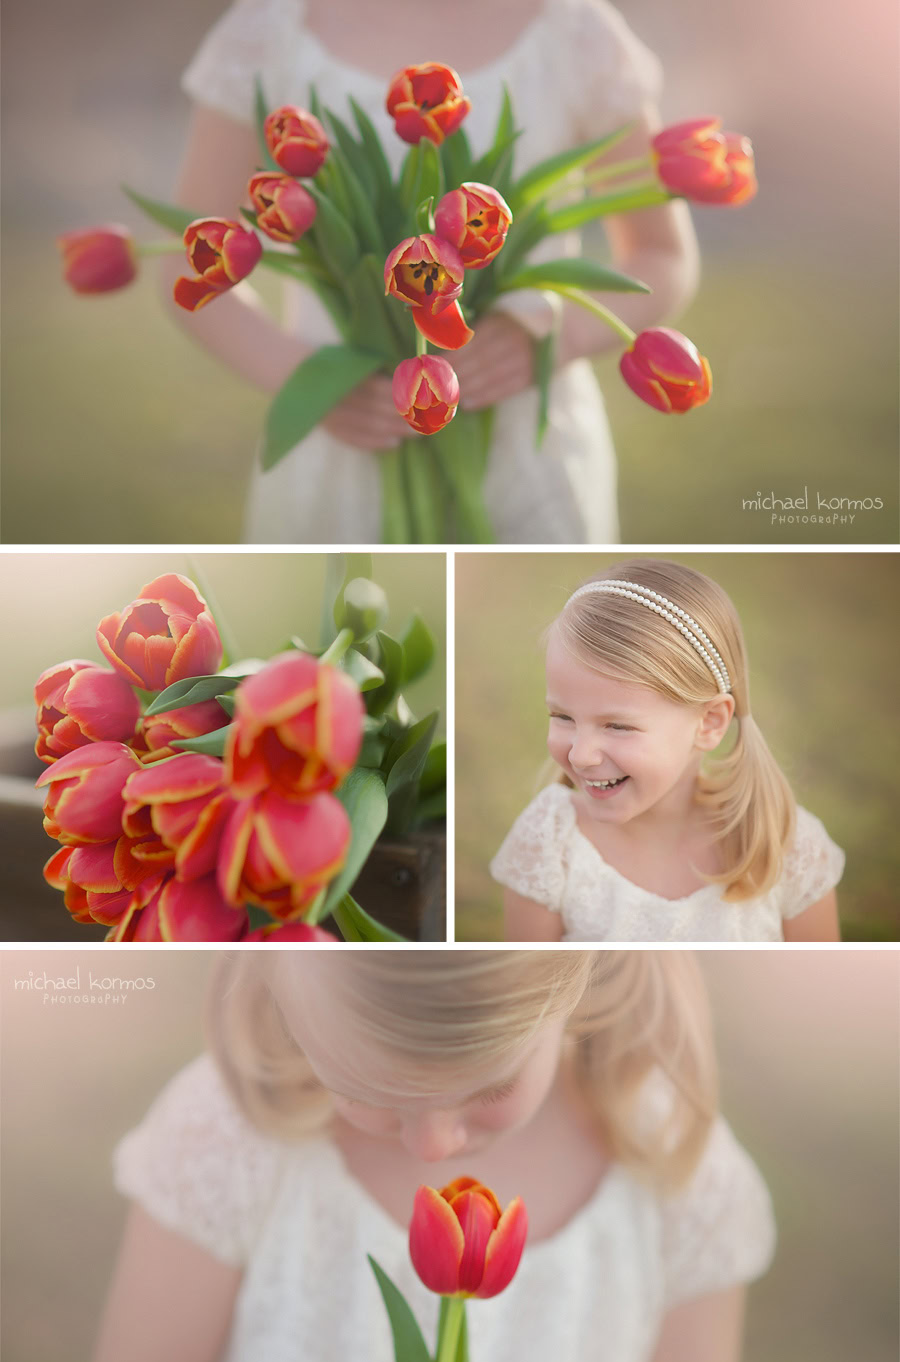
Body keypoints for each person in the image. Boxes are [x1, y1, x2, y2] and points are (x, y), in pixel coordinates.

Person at [85, 945, 775, 1362]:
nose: (432, 1147)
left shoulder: (674, 1167)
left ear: (577, 972)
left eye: (492, 1087)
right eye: (363, 1087)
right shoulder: (232, 1136)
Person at [170, 0, 700, 541]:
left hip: (528, 442)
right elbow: (183, 254)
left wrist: (552, 335)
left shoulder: (574, 30)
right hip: (343, 434)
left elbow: (663, 254)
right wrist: (307, 380)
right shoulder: (268, 29)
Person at [490, 561, 845, 940]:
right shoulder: (548, 842)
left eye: (617, 725)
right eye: (562, 716)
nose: (580, 755)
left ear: (709, 723)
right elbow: (530, 989)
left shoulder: (785, 845)